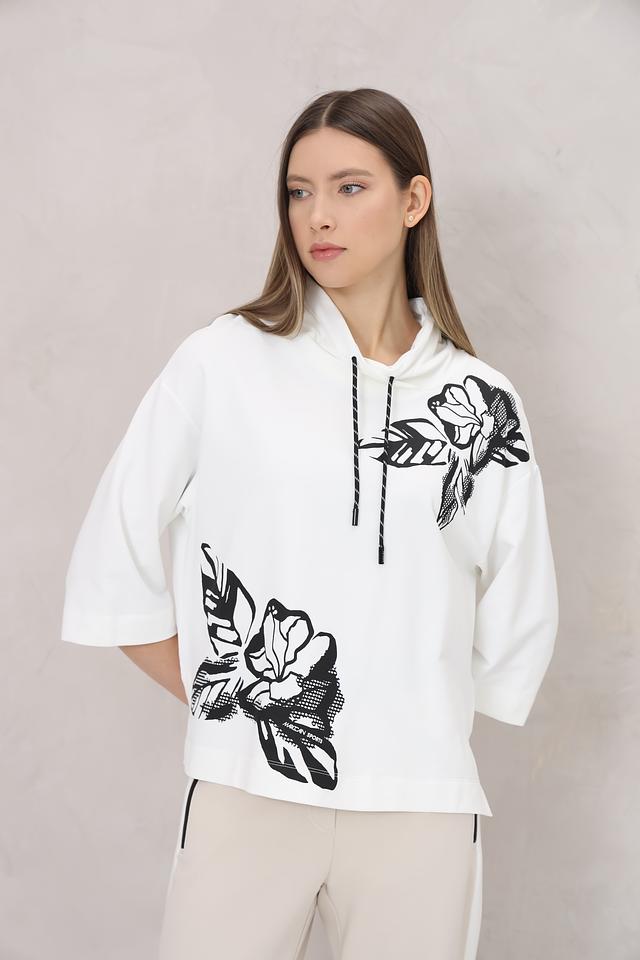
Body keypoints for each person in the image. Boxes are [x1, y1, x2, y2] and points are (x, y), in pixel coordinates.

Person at [60, 87, 559, 960]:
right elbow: (113, 561)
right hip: (247, 795)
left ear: (414, 199)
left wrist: (406, 711)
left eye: (349, 188)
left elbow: (520, 611)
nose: (317, 216)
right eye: (299, 192)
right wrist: (236, 703)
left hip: (420, 804)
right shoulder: (221, 363)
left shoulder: (483, 405)